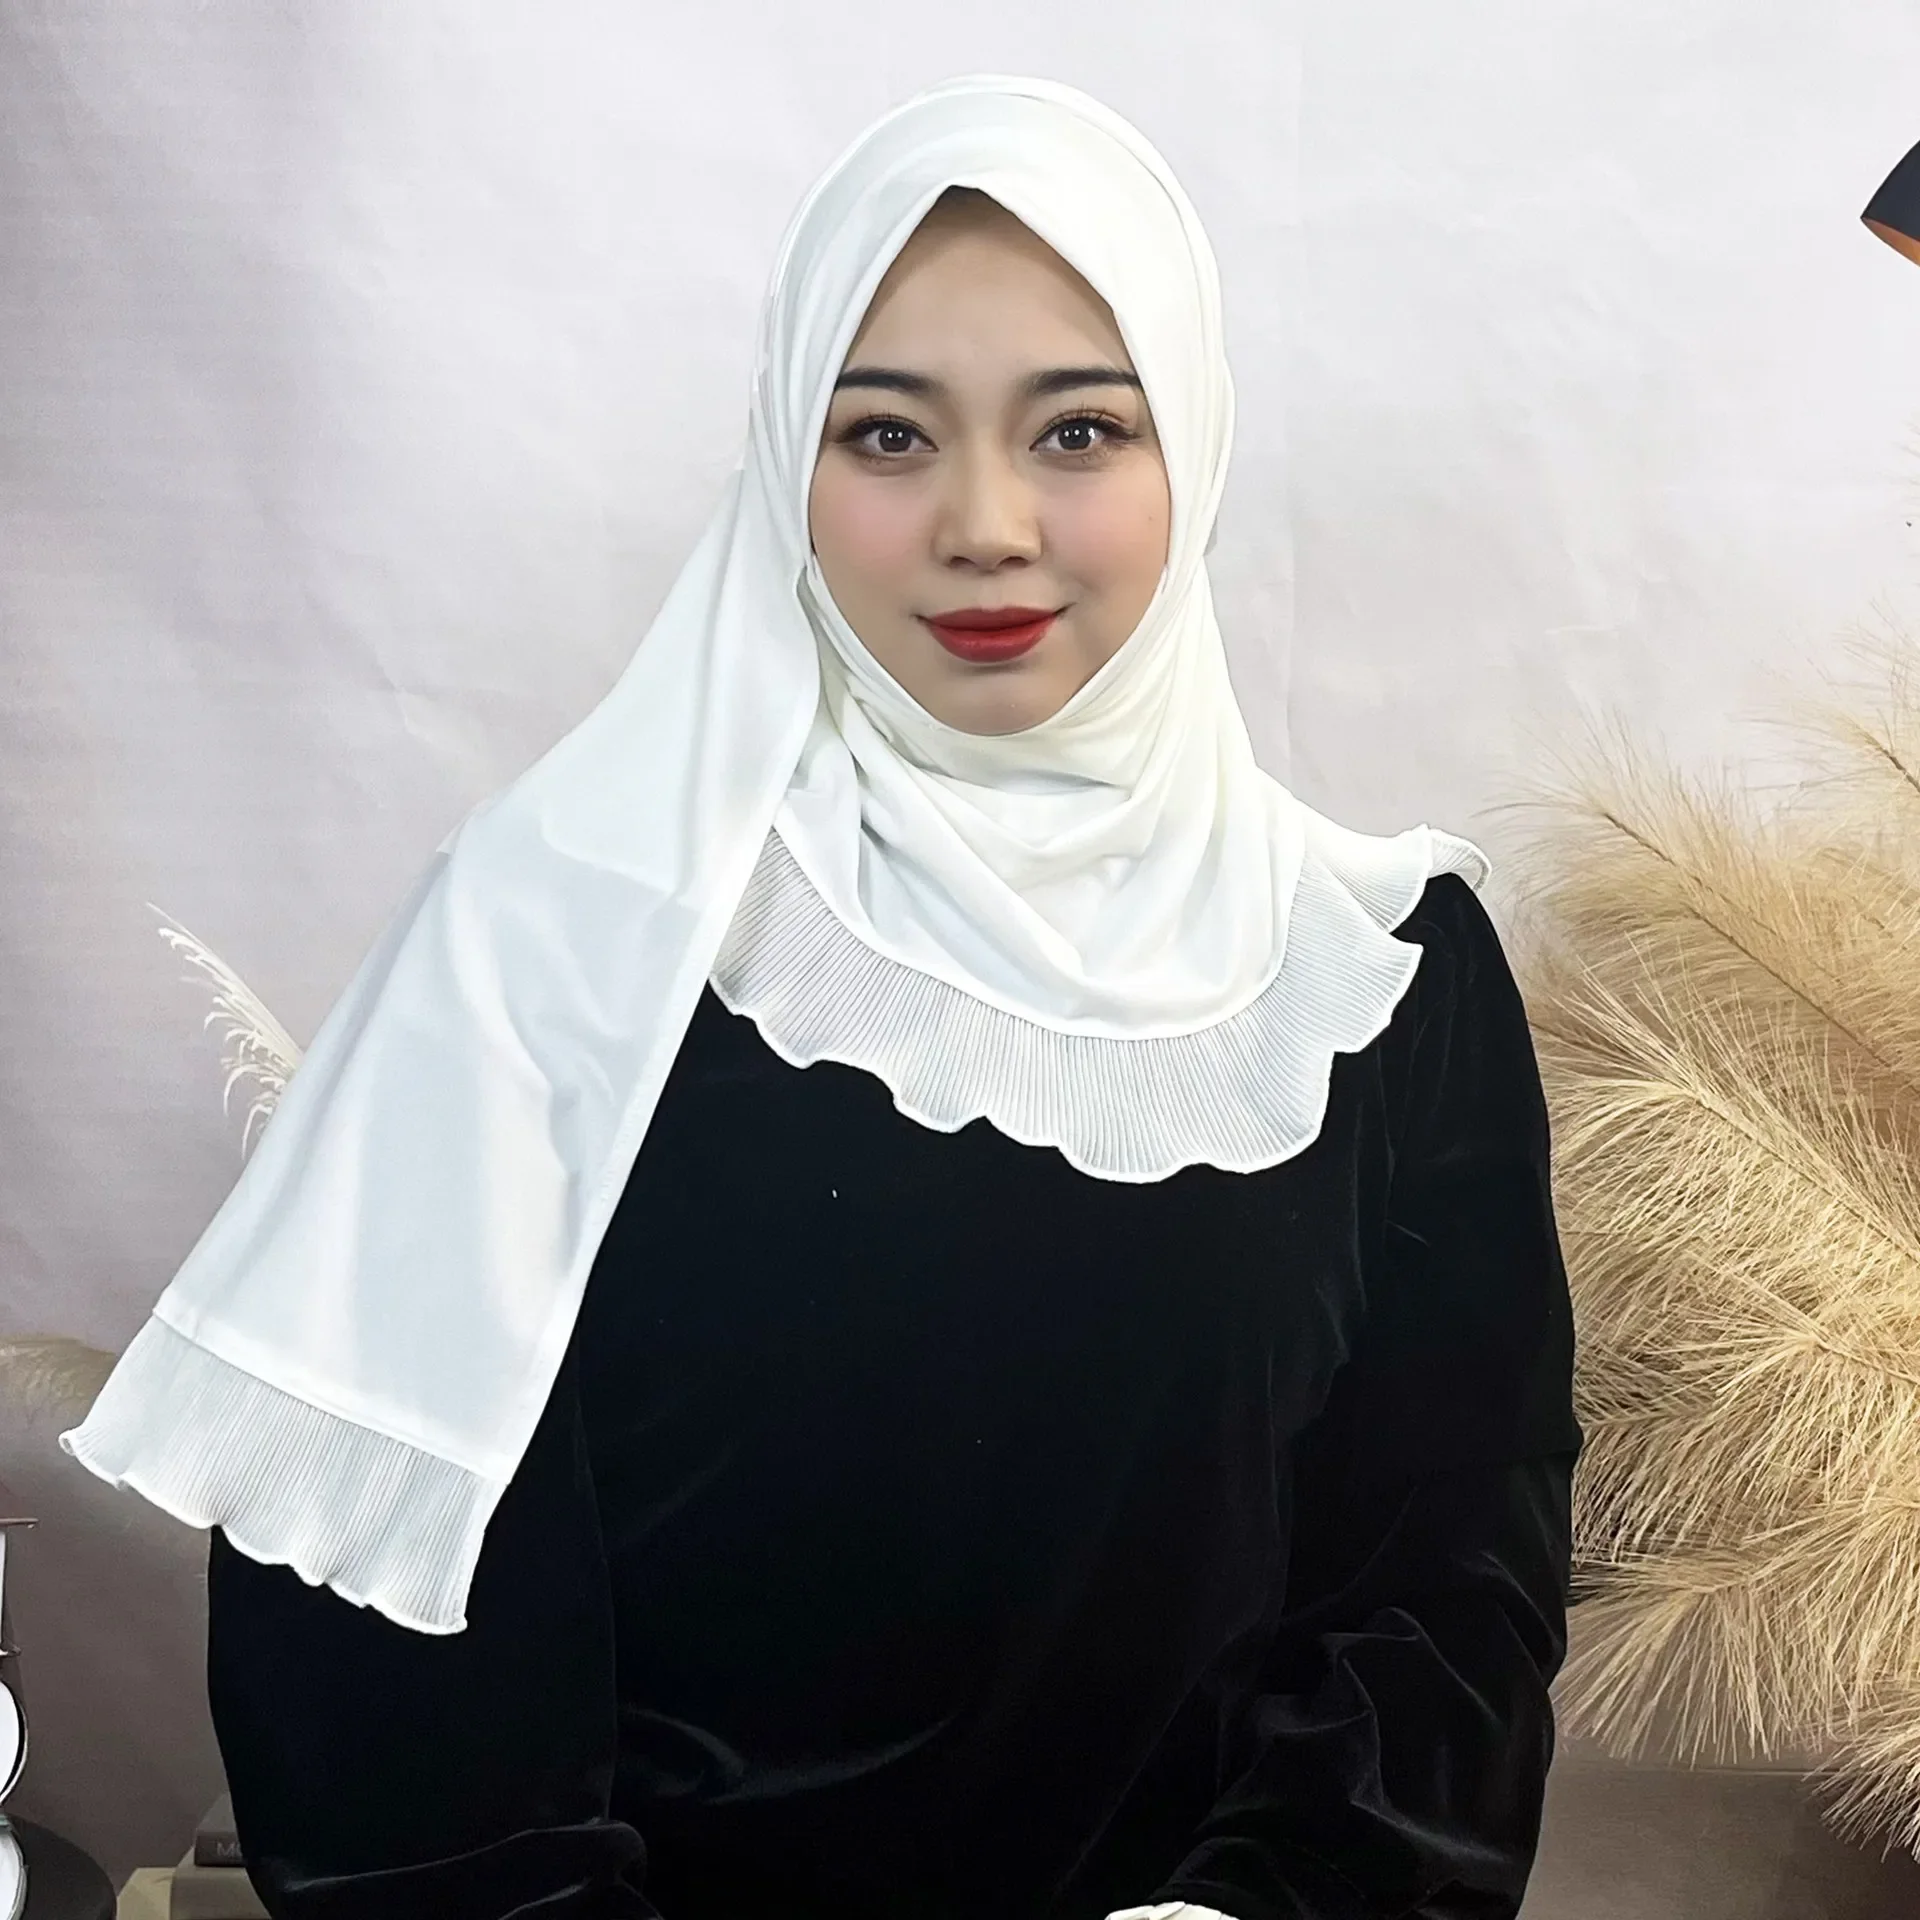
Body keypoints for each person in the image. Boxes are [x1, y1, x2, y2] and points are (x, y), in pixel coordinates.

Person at [61, 76, 1580, 1920]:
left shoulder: (1384, 980)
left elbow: (1442, 1603)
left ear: (1194, 448)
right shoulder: (556, 938)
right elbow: (380, 1676)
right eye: (887, 436)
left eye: (1081, 429)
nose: (986, 524)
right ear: (786, 452)